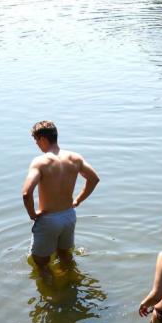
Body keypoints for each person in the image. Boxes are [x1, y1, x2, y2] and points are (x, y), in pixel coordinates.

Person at [21, 120, 101, 285]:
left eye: (36, 141)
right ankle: (73, 282)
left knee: (41, 263)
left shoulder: (40, 162)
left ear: (43, 138)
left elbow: (26, 193)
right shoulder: (74, 157)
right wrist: (78, 200)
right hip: (69, 216)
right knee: (65, 256)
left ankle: (54, 297)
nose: (37, 145)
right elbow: (94, 179)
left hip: (49, 219)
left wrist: (32, 214)